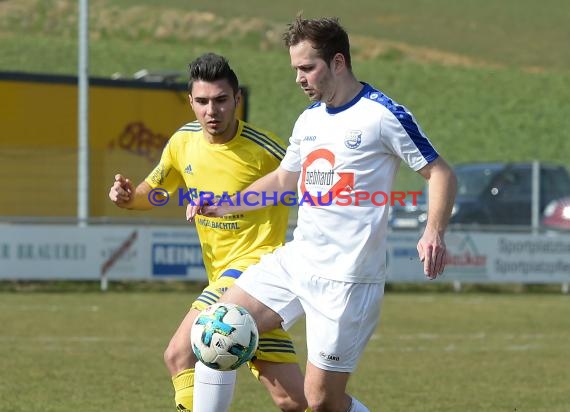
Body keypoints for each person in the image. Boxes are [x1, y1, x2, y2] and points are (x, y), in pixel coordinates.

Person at [188, 16, 458, 412]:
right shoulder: (309, 119)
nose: (299, 78)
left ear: (337, 63)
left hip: (346, 280)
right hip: (298, 260)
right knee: (215, 331)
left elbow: (440, 173)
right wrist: (223, 202)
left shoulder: (381, 115)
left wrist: (433, 231)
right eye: (295, 69)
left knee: (321, 401)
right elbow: (283, 180)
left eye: (306, 68)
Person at [108, 53, 308, 412]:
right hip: (229, 281)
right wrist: (126, 198)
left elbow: (312, 184)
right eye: (202, 102)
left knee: (180, 353)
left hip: (256, 269)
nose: (211, 111)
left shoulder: (267, 151)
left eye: (220, 100)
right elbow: (152, 193)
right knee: (294, 401)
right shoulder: (182, 142)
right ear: (190, 102)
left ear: (237, 101)